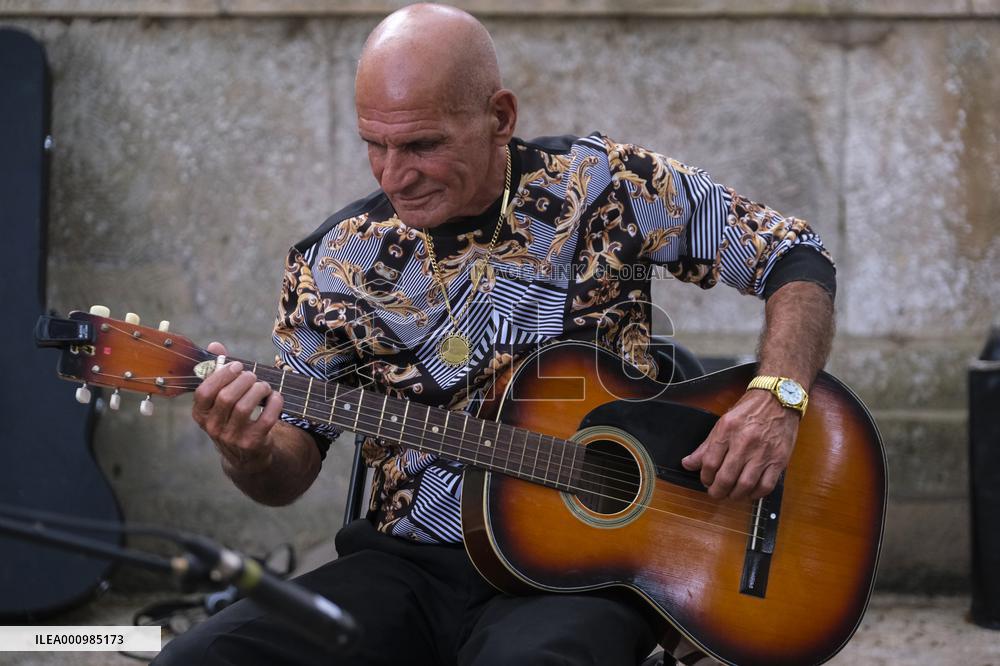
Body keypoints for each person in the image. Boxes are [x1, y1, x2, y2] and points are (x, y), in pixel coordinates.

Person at [154, 3, 836, 665]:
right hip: (406, 572)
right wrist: (246, 451)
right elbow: (289, 467)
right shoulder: (333, 264)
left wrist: (778, 398)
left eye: (423, 144)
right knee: (201, 656)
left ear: (500, 117)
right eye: (375, 145)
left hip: (582, 573)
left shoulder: (608, 188)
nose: (396, 175)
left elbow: (794, 257)